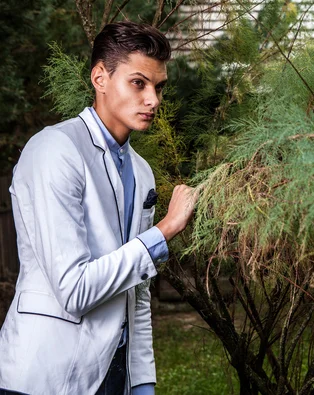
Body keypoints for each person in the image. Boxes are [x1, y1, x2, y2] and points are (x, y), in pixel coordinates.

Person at [0, 21, 197, 394]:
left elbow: (137, 290)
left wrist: (142, 382)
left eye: (158, 87)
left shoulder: (141, 172)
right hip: (45, 376)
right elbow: (74, 290)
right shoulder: (54, 151)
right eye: (139, 83)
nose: (153, 99)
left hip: (115, 375)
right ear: (100, 78)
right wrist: (166, 229)